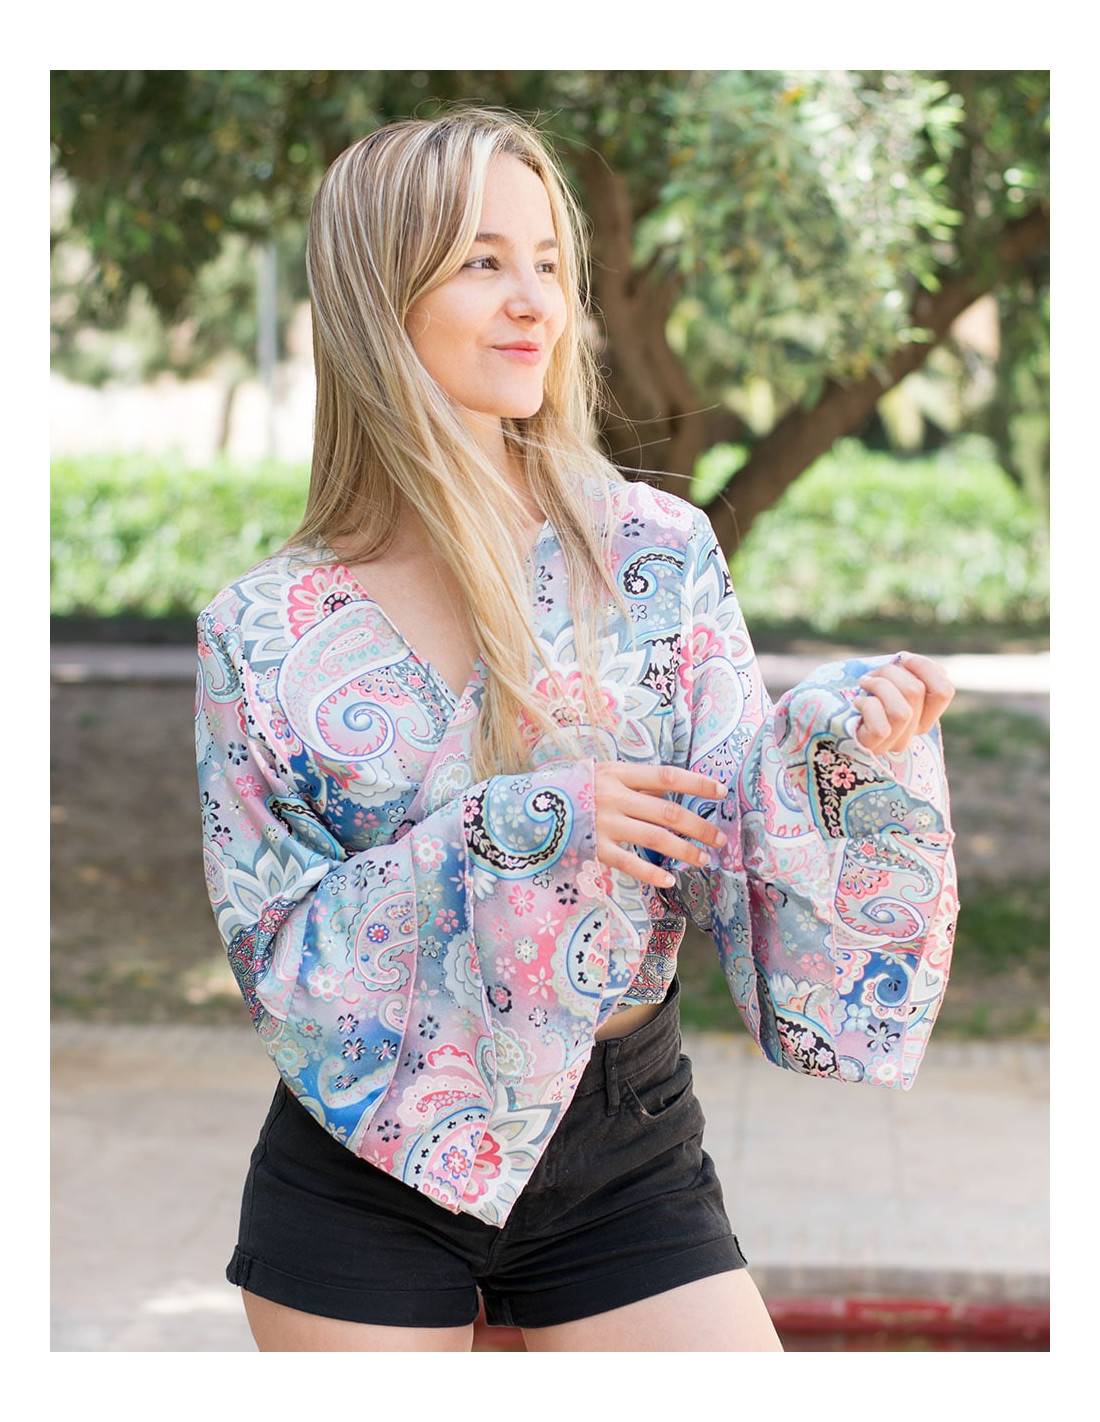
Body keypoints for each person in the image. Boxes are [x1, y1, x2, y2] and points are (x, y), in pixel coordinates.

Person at [195, 105, 959, 1352]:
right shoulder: (261, 631)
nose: (533, 303)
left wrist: (834, 750)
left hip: (624, 1149)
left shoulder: (655, 554)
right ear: (377, 294)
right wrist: (523, 828)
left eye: (548, 263)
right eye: (482, 261)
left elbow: (725, 835)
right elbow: (277, 951)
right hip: (363, 1162)